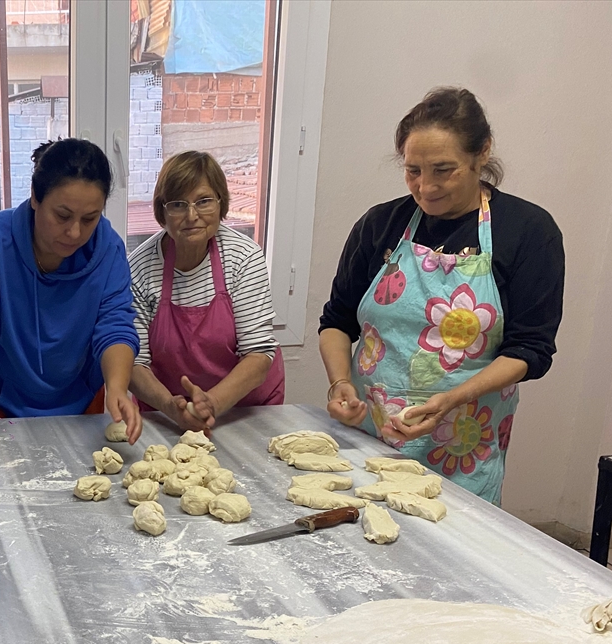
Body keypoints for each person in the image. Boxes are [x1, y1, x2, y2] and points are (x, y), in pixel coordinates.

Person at [319, 87, 564, 504]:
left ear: (482, 153)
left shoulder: (528, 231)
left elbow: (530, 351)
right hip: (369, 438)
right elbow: (336, 323)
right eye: (413, 171)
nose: (426, 186)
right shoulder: (381, 224)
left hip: (463, 448)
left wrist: (451, 400)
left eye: (443, 170)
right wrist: (340, 383)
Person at [0, 138, 142, 448]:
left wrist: (117, 387)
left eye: (90, 218)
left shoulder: (109, 249)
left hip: (80, 399)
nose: (75, 232)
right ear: (35, 196)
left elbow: (115, 326)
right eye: (62, 216)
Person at [128, 151, 285, 431]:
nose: (192, 216)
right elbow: (134, 363)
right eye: (178, 204)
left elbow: (258, 354)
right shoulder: (140, 267)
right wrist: (172, 407)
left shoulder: (243, 258)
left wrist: (211, 403)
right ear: (162, 210)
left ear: (221, 202)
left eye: (204, 201)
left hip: (244, 409)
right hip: (168, 411)